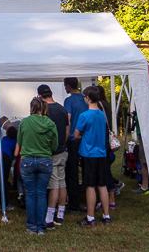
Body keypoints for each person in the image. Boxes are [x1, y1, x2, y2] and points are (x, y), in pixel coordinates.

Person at [16, 97, 57, 235]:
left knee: (30, 194)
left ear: (31, 107)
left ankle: (31, 226)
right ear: (43, 108)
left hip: (27, 160)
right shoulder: (50, 123)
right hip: (45, 159)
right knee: (41, 193)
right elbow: (55, 145)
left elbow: (20, 141)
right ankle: (41, 226)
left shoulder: (24, 123)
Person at [75, 86, 111, 227]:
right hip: (101, 152)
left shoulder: (84, 115)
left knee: (90, 186)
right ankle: (106, 215)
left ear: (88, 98)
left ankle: (90, 217)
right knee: (102, 185)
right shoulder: (102, 114)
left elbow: (77, 134)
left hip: (88, 154)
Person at [38, 84, 69, 229]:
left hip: (51, 152)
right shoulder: (62, 109)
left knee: (54, 185)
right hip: (63, 150)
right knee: (62, 182)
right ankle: (61, 214)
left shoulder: (45, 111)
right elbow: (67, 130)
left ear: (40, 96)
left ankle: (50, 216)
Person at [63, 77, 88, 211]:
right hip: (86, 138)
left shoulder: (69, 100)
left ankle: (74, 202)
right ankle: (88, 198)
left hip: (73, 139)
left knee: (72, 171)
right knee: (86, 170)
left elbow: (68, 119)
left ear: (68, 86)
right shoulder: (85, 98)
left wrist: (65, 137)